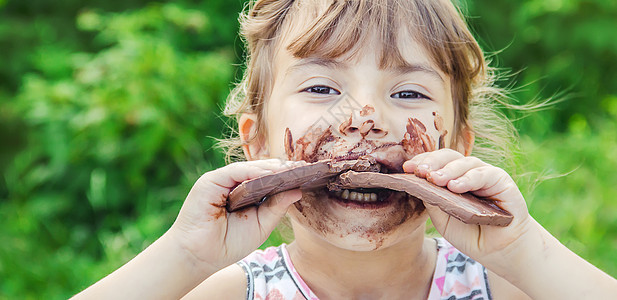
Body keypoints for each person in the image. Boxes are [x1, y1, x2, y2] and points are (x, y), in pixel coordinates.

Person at [74, 0, 617, 299]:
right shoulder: (228, 295)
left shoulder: (504, 287)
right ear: (256, 142)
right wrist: (186, 256)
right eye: (321, 89)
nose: (364, 119)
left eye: (407, 93)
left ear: (456, 148)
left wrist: (523, 251)